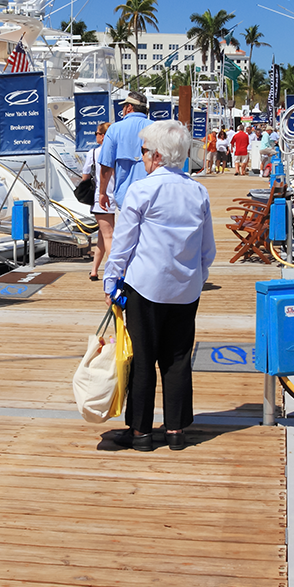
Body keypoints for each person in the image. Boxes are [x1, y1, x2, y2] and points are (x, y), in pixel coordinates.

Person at [103, 120, 216, 451]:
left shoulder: (142, 190)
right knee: (178, 357)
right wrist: (198, 276)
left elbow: (123, 244)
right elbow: (207, 250)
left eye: (142, 152)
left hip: (146, 286)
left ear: (155, 155)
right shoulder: (198, 191)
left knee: (143, 357)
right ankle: (176, 431)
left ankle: (140, 433)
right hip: (186, 288)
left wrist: (112, 280)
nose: (141, 159)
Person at [97, 91, 150, 211]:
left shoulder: (114, 129)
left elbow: (106, 165)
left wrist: (102, 193)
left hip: (126, 200)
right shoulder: (156, 128)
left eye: (124, 106)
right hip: (151, 199)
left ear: (129, 107)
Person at [81, 122, 115, 281]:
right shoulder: (118, 152)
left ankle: (114, 272)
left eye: (96, 133)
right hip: (118, 197)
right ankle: (94, 270)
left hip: (101, 199)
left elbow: (85, 175)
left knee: (108, 236)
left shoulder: (94, 153)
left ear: (102, 136)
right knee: (102, 235)